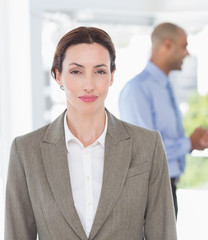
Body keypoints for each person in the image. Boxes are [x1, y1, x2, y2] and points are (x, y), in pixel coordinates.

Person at [5, 26, 177, 240]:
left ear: (112, 76)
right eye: (76, 71)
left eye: (99, 71)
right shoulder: (25, 151)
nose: (89, 85)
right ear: (58, 76)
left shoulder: (148, 145)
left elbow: (163, 234)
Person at [119, 22, 208, 218]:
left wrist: (192, 143)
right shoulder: (137, 90)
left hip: (167, 188)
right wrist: (188, 143)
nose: (187, 53)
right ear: (167, 45)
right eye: (184, 46)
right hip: (148, 191)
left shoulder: (165, 86)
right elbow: (145, 149)